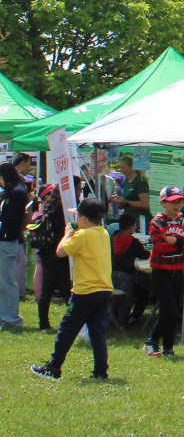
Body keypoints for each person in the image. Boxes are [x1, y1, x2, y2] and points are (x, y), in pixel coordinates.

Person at [30, 198, 113, 381]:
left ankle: (54, 367)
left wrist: (68, 233)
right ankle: (101, 370)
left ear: (83, 219)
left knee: (66, 329)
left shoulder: (81, 236)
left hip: (84, 292)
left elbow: (60, 252)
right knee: (97, 332)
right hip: (104, 289)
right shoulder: (103, 233)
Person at [145, 185, 184, 357]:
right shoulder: (157, 222)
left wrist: (176, 241)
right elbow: (159, 248)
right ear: (163, 202)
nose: (177, 205)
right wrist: (180, 244)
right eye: (172, 202)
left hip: (178, 271)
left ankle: (168, 347)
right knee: (169, 310)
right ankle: (151, 341)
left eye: (180, 201)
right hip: (161, 272)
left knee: (175, 311)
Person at [30, 185, 71, 330]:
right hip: (58, 252)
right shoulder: (63, 208)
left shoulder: (50, 205)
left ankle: (44, 323)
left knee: (47, 290)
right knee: (68, 291)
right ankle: (71, 321)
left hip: (47, 251)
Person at [0, 154, 33, 328]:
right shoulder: (11, 191)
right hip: (4, 240)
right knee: (3, 281)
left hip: (8, 240)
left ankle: (11, 318)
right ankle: (4, 315)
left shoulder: (17, 192)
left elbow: (13, 219)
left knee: (7, 281)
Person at [111, 212, 151, 328]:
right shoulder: (133, 241)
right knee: (126, 299)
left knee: (116, 299)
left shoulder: (116, 240)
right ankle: (123, 322)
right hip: (127, 274)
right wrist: (146, 250)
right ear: (130, 228)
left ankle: (114, 319)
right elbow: (144, 255)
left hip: (115, 273)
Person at [110, 153, 150, 223]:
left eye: (123, 168)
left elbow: (144, 204)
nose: (121, 170)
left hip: (139, 219)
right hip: (129, 218)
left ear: (131, 167)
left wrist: (127, 202)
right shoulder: (127, 180)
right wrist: (119, 200)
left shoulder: (140, 180)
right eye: (120, 168)